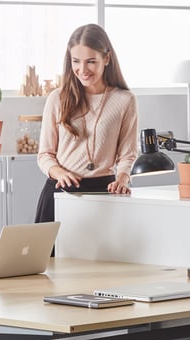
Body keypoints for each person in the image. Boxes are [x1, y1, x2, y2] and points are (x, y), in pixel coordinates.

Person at [35, 23, 138, 225]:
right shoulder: (57, 98)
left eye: (91, 61)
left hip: (104, 192)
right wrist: (60, 173)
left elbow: (128, 153)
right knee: (51, 257)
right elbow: (44, 154)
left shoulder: (125, 100)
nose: (82, 70)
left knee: (103, 256)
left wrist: (123, 178)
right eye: (76, 61)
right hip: (60, 191)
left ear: (106, 58)